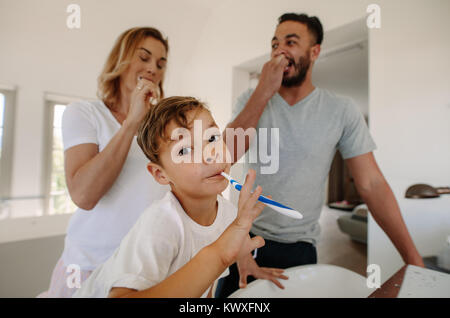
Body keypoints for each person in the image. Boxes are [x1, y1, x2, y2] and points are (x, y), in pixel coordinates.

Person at [215, 13, 425, 297]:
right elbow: (223, 156)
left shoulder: (341, 110)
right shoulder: (251, 100)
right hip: (244, 239)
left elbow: (372, 184)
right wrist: (264, 90)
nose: (280, 50)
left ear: (314, 52)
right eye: (275, 43)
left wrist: (413, 260)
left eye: (291, 42)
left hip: (300, 247)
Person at [73, 96, 287, 298]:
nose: (210, 154)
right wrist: (220, 254)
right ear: (161, 174)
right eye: (184, 150)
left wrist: (244, 261)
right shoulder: (160, 224)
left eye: (212, 138)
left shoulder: (230, 215)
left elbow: (205, 286)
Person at [41, 27, 170, 297]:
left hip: (143, 269)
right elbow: (84, 195)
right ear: (121, 60)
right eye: (144, 58)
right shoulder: (84, 113)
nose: (153, 69)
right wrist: (131, 122)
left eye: (160, 64)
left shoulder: (163, 129)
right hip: (89, 266)